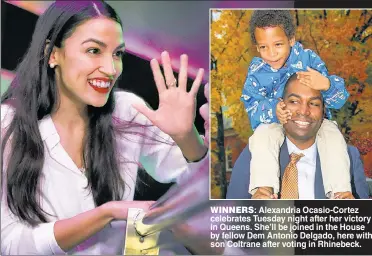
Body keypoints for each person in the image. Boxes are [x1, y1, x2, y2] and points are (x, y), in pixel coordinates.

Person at [1, 1, 209, 255]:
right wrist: (105, 214)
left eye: (117, 54)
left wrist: (188, 139)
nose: (111, 69)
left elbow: (204, 193)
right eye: (93, 51)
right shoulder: (8, 124)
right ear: (52, 53)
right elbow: (9, 245)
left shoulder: (127, 110)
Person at [241, 10, 351, 199]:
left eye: (277, 44)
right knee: (261, 137)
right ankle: (263, 189)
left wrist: (326, 84)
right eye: (263, 47)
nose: (272, 53)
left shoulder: (309, 60)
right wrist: (272, 110)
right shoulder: (257, 72)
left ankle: (341, 191)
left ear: (291, 39)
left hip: (312, 122)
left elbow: (339, 100)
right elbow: (251, 105)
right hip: (275, 122)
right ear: (256, 48)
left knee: (333, 136)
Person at [228, 74, 369, 199]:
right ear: (280, 105)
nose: (304, 111)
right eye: (294, 101)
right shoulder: (256, 153)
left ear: (323, 111)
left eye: (314, 104)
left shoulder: (349, 157)